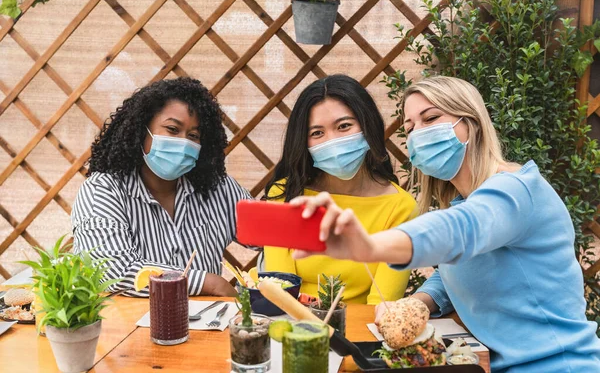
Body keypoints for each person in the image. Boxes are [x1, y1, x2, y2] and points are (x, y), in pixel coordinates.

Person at [290, 76, 600, 372]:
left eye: (430, 118)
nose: (418, 134)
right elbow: (456, 271)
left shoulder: (515, 191)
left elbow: (458, 231)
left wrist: (369, 246)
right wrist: (416, 303)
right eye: (410, 127)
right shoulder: (467, 201)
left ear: (471, 123)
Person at [72, 77, 251, 297]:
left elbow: (266, 234)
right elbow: (111, 270)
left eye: (193, 136)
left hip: (209, 326)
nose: (183, 142)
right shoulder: (103, 190)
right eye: (172, 129)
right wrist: (208, 282)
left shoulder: (218, 188)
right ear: (141, 129)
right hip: (130, 327)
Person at [263, 74, 418, 304]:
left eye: (344, 126)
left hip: (359, 335)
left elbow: (382, 305)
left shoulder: (400, 207)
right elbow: (281, 292)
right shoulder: (285, 195)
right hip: (292, 329)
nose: (332, 141)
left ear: (368, 126)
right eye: (317, 133)